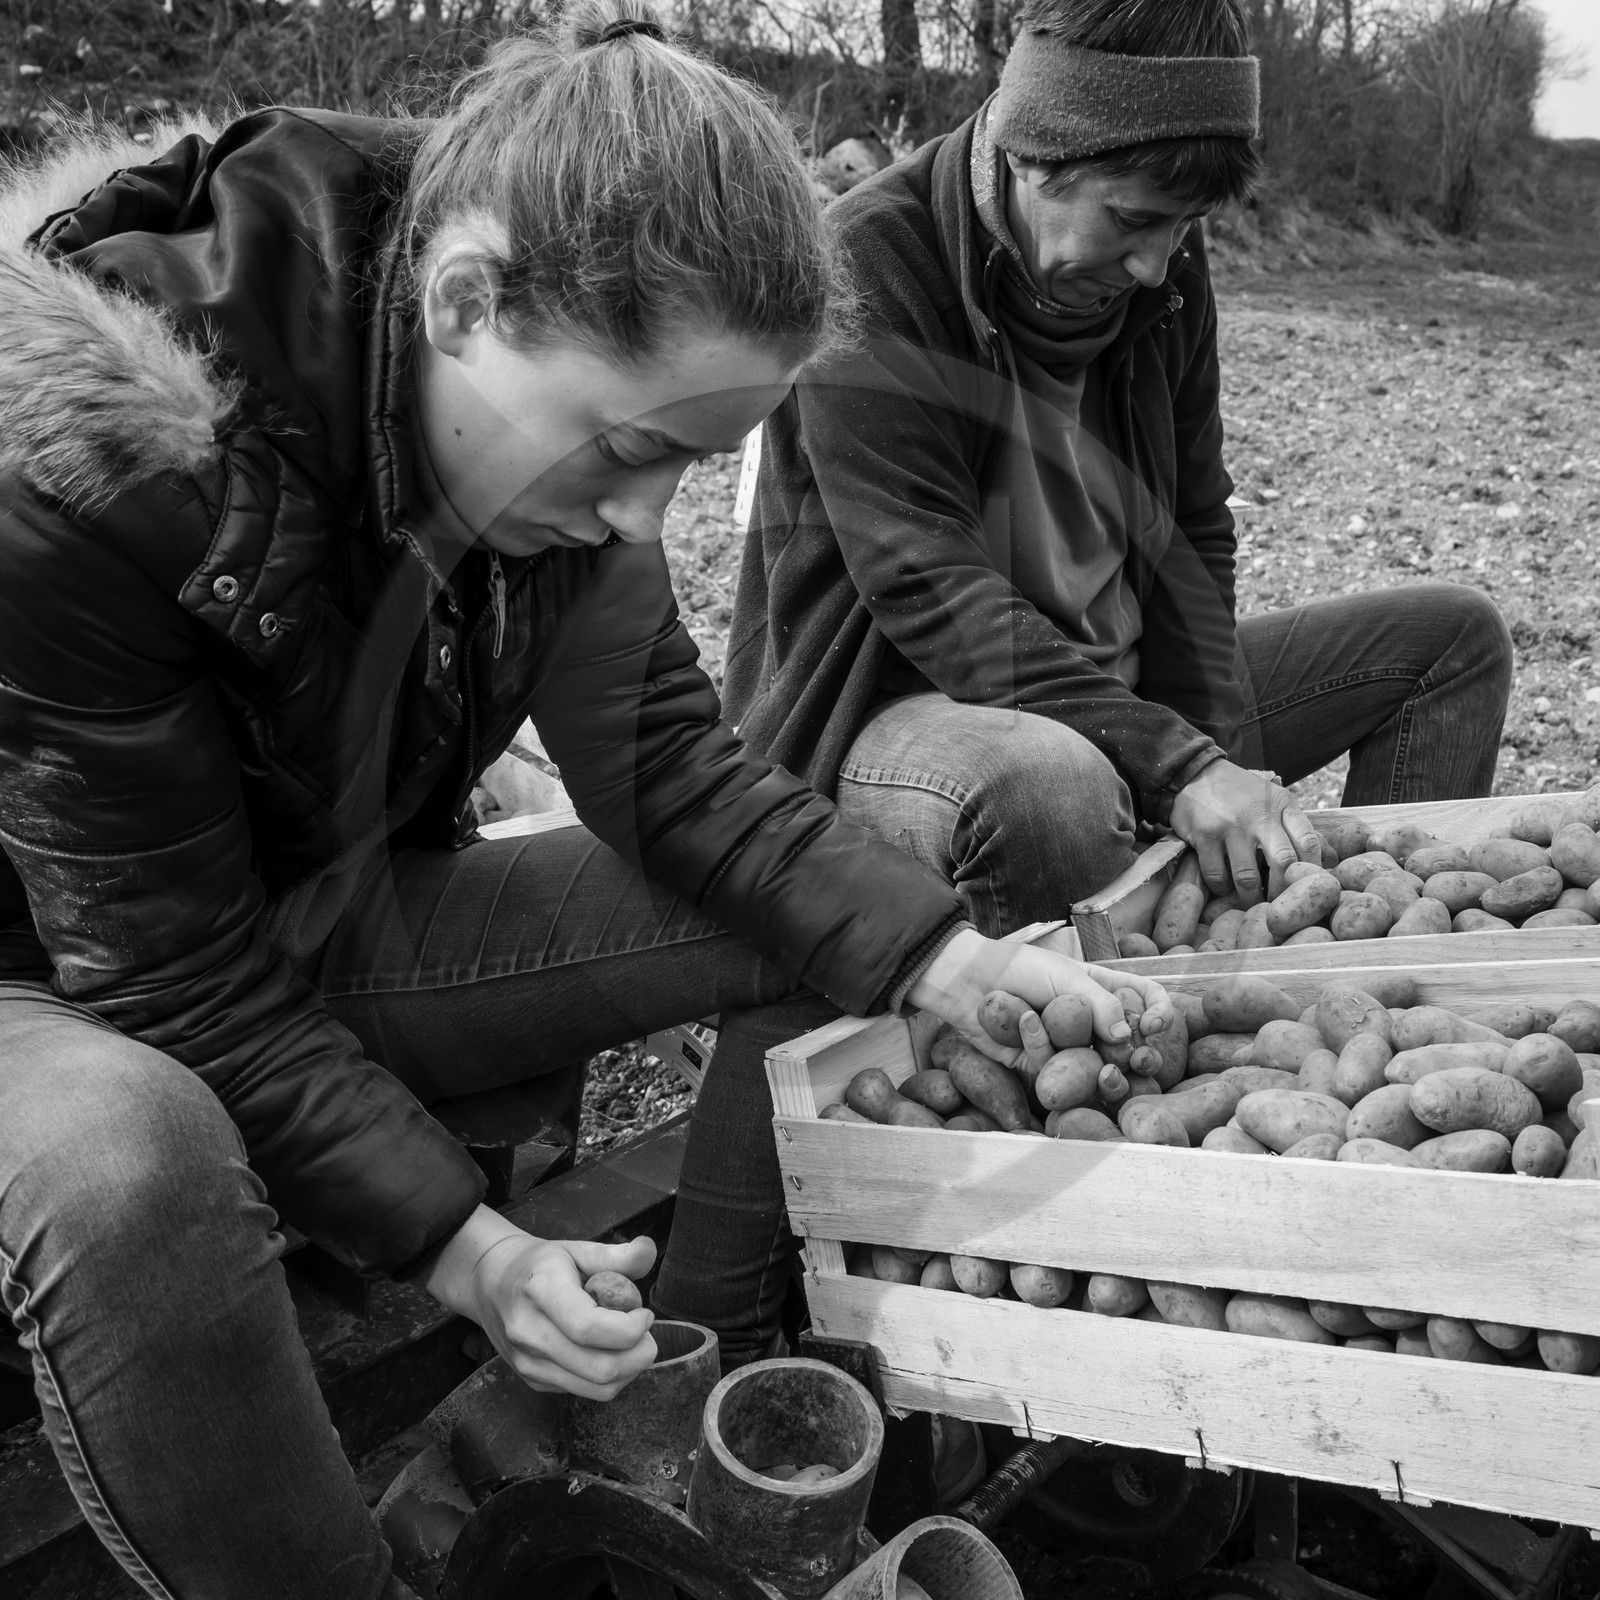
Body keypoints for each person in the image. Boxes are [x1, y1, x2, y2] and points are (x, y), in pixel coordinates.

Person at [0, 10, 1172, 1597]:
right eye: (627, 451)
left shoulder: (529, 423)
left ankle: (701, 1368)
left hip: (305, 917)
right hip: (60, 976)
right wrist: (467, 1249)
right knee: (126, 1158)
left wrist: (939, 962)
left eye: (693, 464)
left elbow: (672, 771)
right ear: (463, 300)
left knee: (848, 897)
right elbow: (176, 980)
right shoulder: (90, 465)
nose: (645, 517)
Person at [726, 0, 1514, 931]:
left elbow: (1195, 525)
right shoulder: (868, 260)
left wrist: (1205, 758)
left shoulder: (1168, 262)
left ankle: (1358, 942)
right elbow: (923, 579)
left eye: (1181, 228)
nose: (1155, 266)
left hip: (1116, 690)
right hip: (905, 708)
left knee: (1451, 640)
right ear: (1032, 152)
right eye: (1134, 221)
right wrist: (1174, 766)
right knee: (1053, 781)